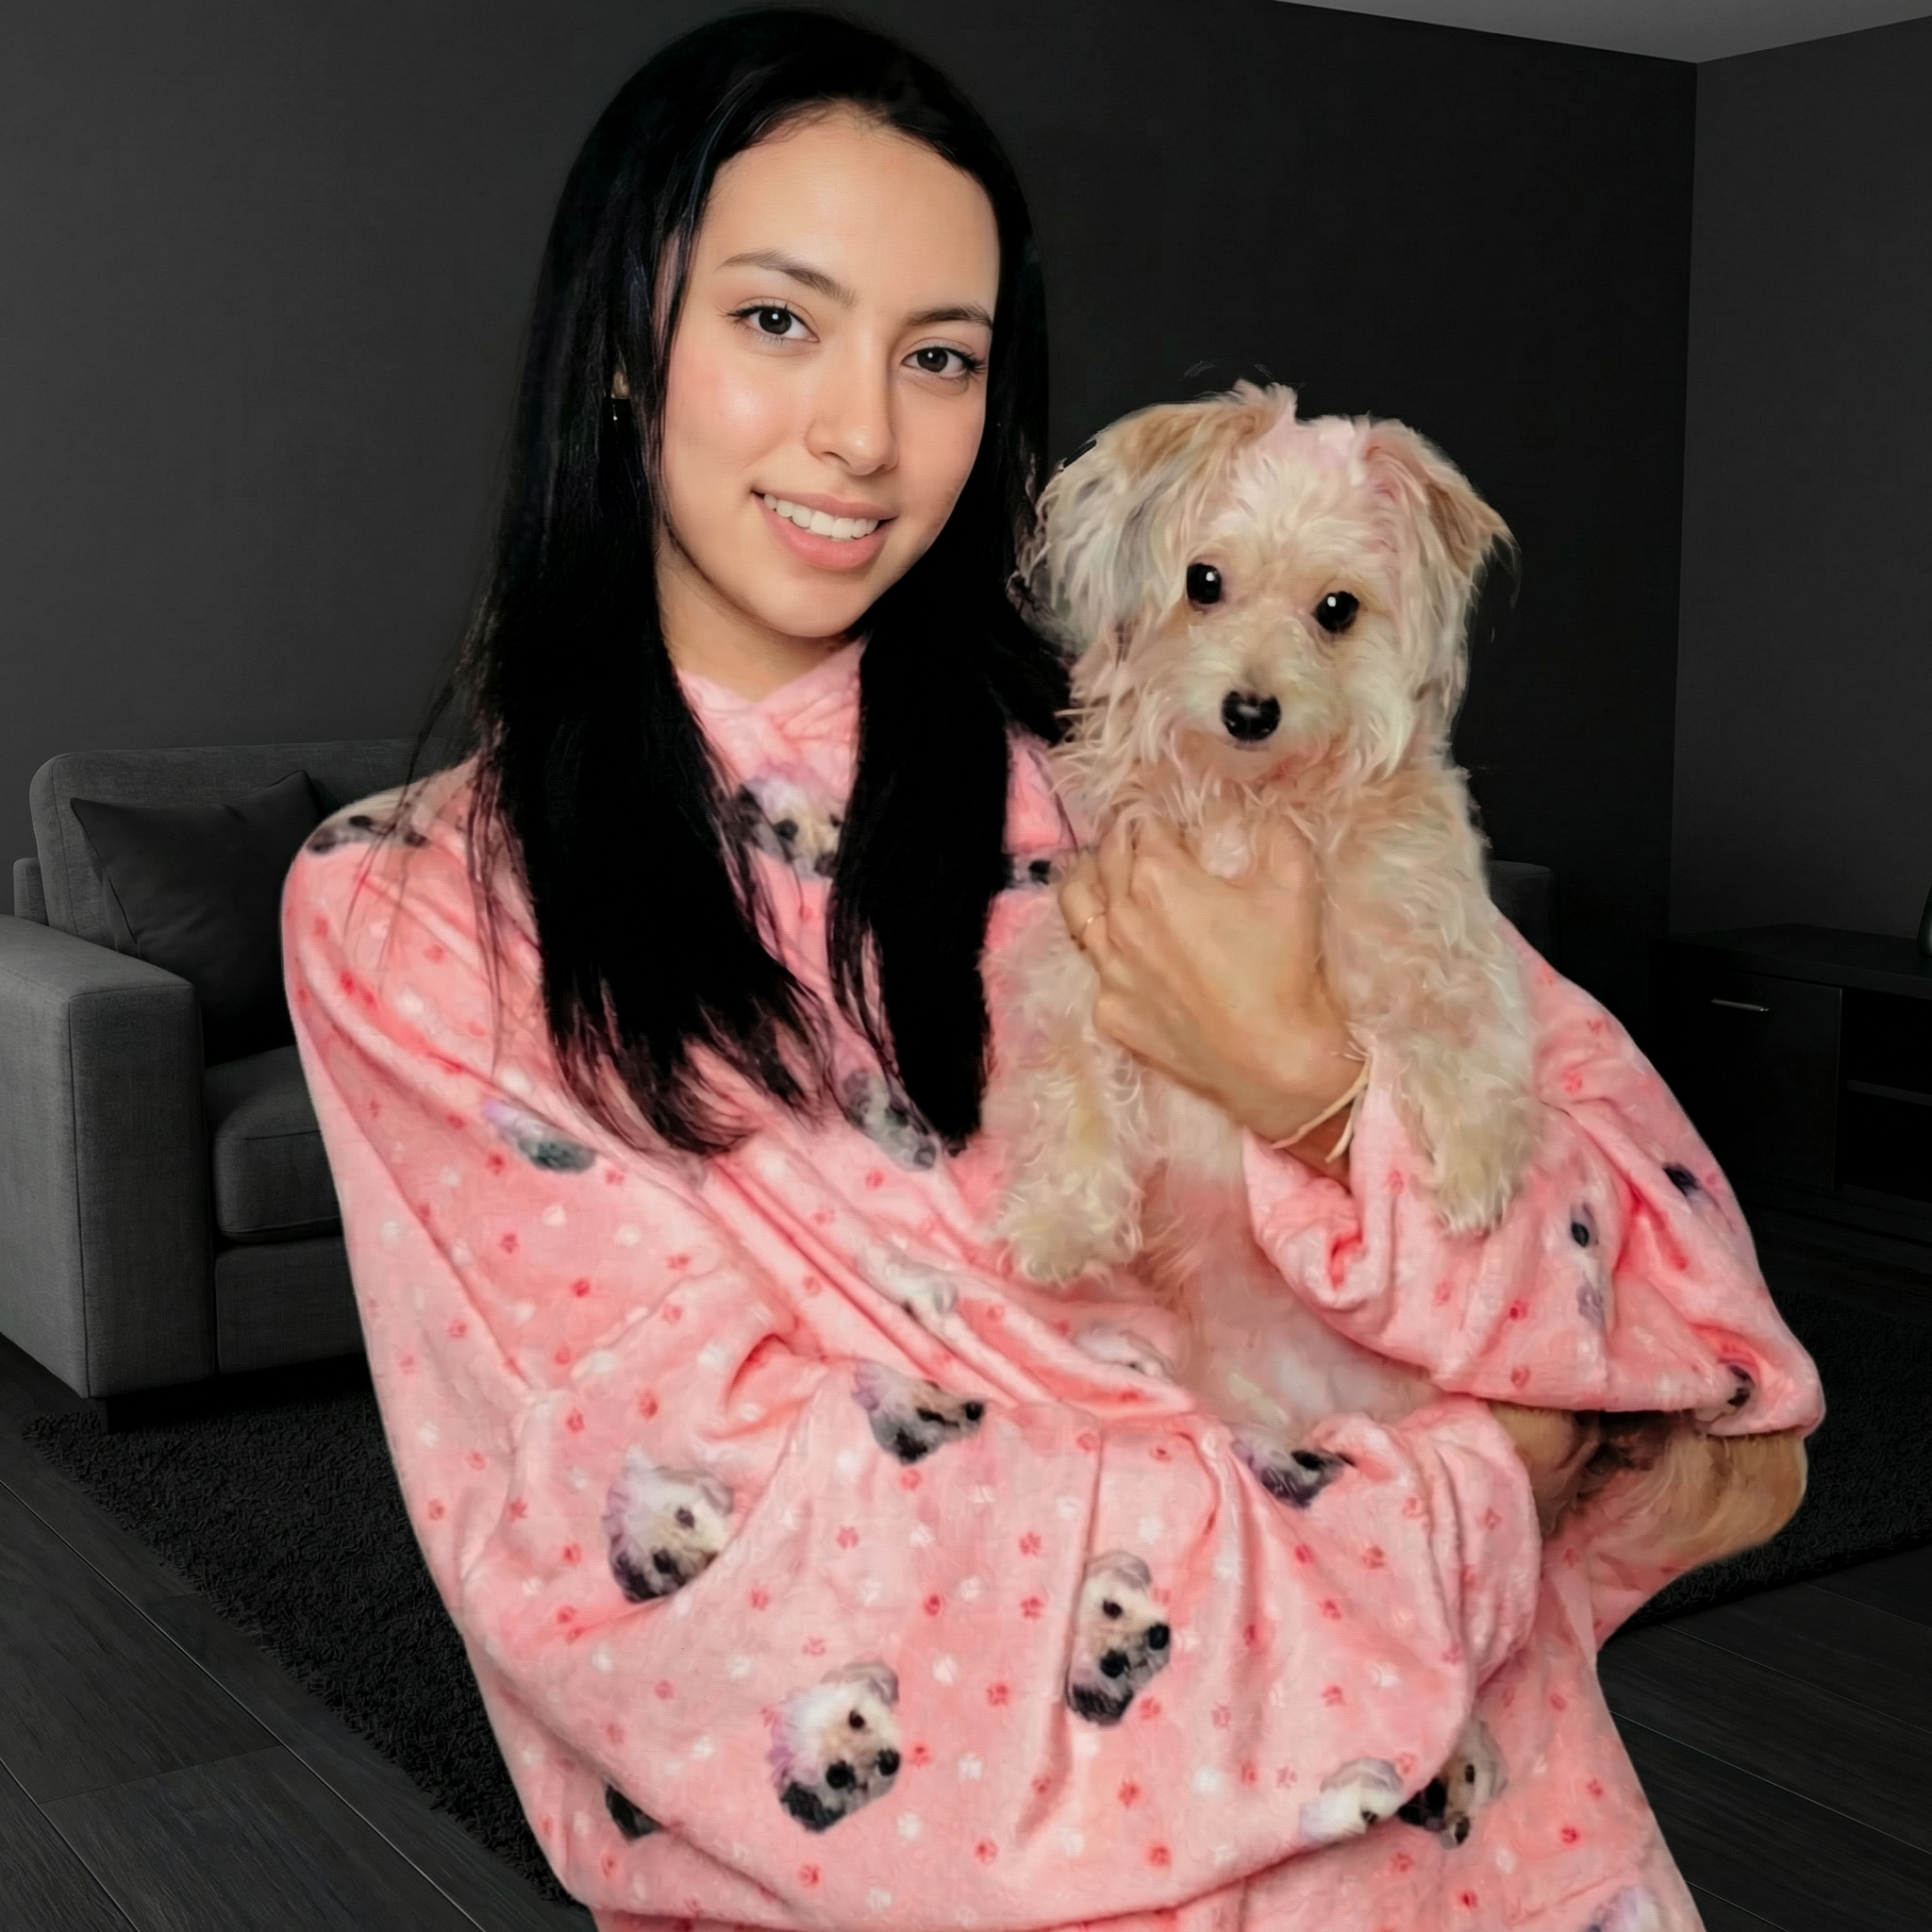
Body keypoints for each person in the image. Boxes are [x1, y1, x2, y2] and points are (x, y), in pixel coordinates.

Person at [284, 13, 1820, 1930]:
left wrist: (1304, 1084)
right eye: (778, 320)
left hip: (1487, 1850)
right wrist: (1485, 1474)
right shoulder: (419, 913)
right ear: (621, 341)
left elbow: (1683, 1307)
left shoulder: (1166, 771)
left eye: (939, 355)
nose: (862, 431)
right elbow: (746, 1589)